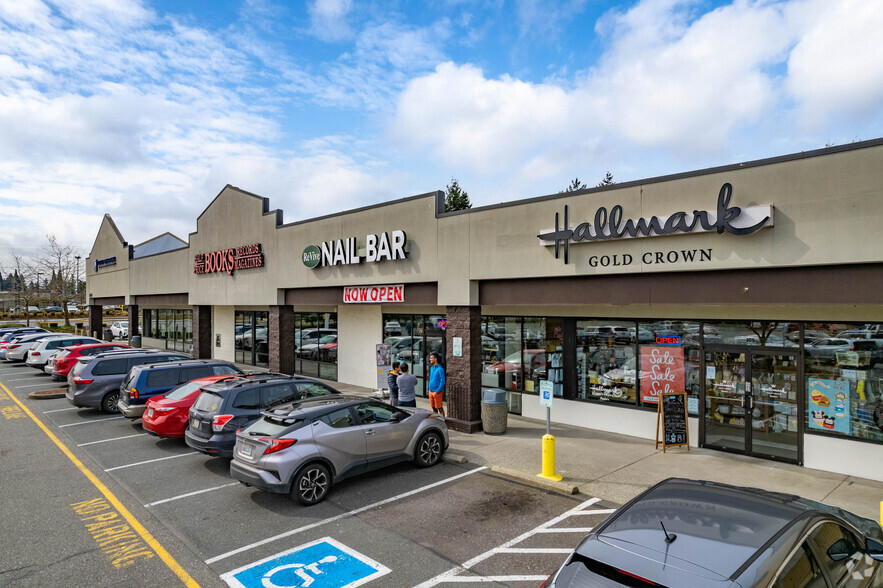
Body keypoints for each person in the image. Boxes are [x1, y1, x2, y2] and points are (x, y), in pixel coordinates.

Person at [428, 352, 446, 417]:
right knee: (433, 408)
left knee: (439, 408)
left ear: (436, 359)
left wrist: (437, 391)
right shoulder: (431, 368)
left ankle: (443, 420)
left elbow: (442, 381)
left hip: (437, 392)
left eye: (431, 358)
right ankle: (436, 421)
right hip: (431, 391)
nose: (430, 359)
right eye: (430, 358)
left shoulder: (440, 369)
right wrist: (429, 389)